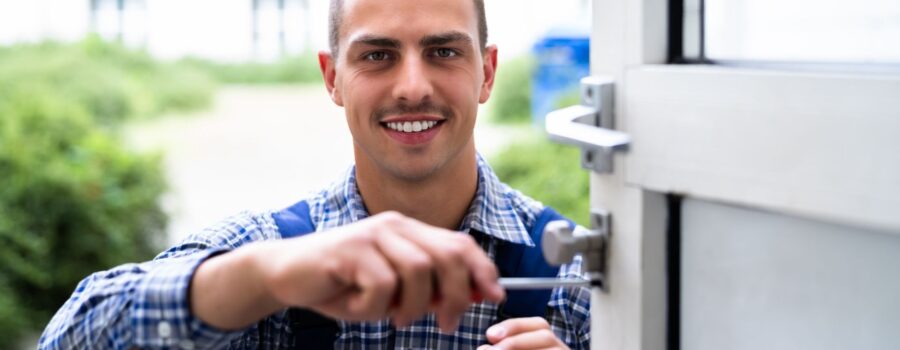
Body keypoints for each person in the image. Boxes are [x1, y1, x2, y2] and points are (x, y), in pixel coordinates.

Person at [39, 0, 591, 348]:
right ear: (333, 78)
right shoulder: (269, 251)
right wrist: (261, 278)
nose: (413, 87)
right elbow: (71, 335)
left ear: (487, 72)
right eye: (377, 56)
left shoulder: (576, 282)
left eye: (443, 51)